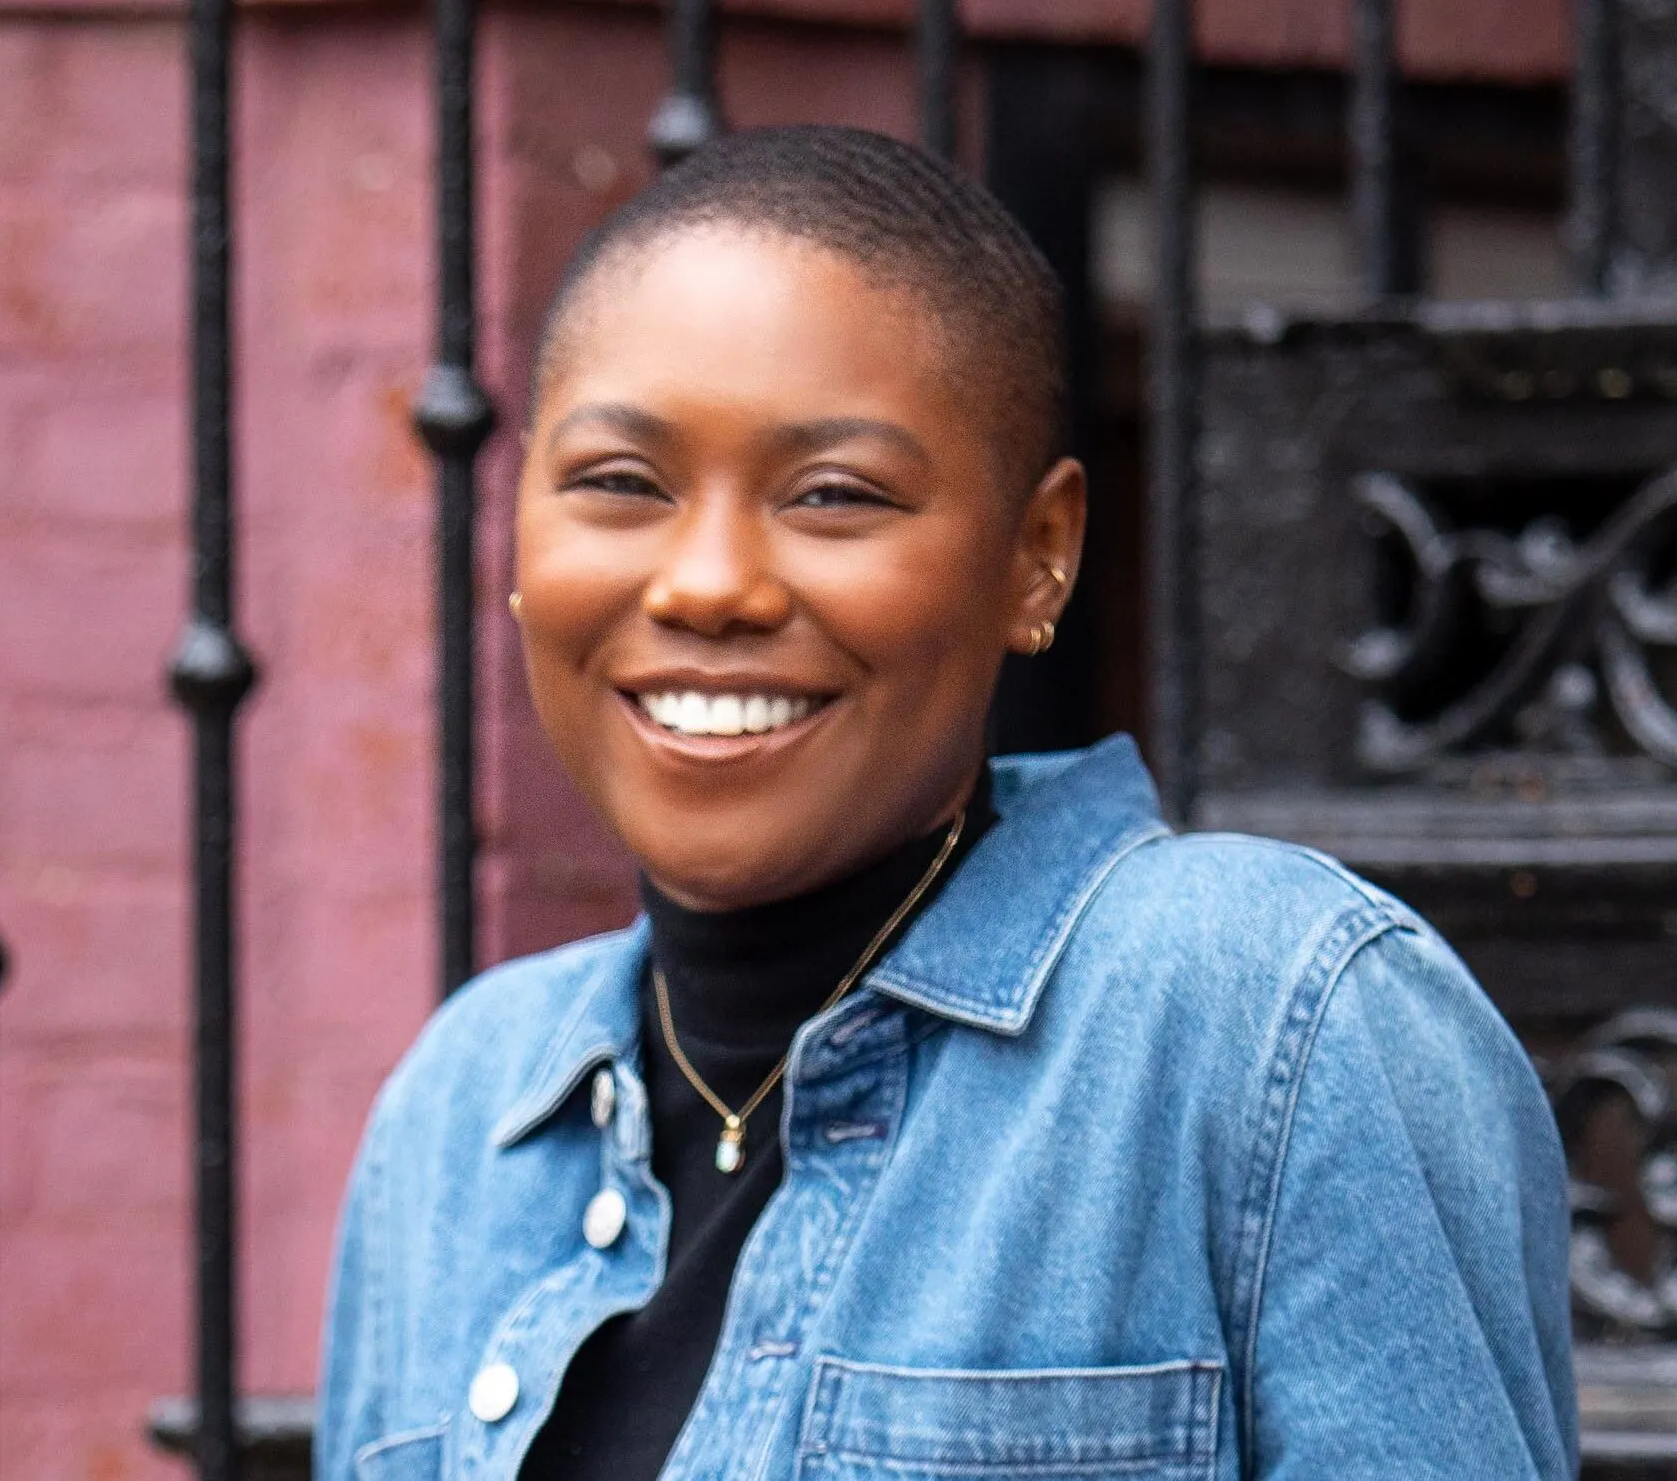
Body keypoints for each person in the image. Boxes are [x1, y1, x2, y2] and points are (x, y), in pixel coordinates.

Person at [314, 124, 1574, 1481]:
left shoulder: (1267, 1017)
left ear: (1036, 558)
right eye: (622, 484)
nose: (706, 584)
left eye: (834, 495)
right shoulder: (465, 1106)